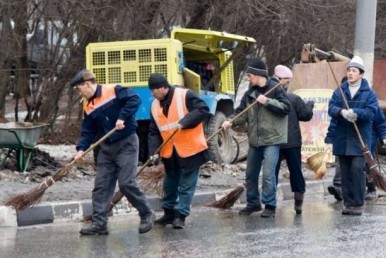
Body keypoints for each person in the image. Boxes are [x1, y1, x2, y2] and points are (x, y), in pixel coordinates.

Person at [70, 69, 155, 235]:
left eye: (78, 89)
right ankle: (99, 224)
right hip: (106, 149)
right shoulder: (88, 105)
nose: (78, 92)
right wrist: (81, 149)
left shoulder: (113, 90)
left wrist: (122, 117)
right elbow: (88, 130)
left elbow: (134, 99)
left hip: (126, 143)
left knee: (126, 183)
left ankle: (146, 213)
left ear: (87, 84)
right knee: (101, 186)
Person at [222, 59, 291, 218]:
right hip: (255, 140)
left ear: (259, 75)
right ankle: (253, 203)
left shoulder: (276, 89)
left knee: (268, 174)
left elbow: (286, 108)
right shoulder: (249, 93)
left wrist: (267, 101)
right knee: (250, 174)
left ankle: (270, 205)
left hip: (272, 140)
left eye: (250, 75)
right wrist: (231, 121)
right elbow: (242, 113)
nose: (248, 78)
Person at [147, 73, 210, 229]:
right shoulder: (155, 105)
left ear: (162, 87)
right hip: (170, 151)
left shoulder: (185, 95)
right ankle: (168, 213)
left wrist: (185, 122)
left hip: (190, 148)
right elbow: (154, 131)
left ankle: (180, 215)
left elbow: (203, 109)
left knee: (186, 184)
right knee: (170, 184)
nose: (152, 93)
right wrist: (154, 151)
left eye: (153, 90)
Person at [328, 56, 379, 216]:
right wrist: (341, 112)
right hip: (342, 138)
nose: (350, 73)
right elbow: (331, 107)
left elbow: (371, 112)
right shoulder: (340, 90)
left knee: (357, 170)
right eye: (349, 70)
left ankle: (358, 203)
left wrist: (356, 113)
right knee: (344, 172)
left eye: (354, 71)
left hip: (359, 140)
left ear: (361, 74)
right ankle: (348, 203)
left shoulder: (369, 93)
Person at [326, 81, 386, 202]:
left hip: (366, 140)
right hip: (345, 139)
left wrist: (384, 136)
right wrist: (330, 137)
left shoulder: (370, 99)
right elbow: (335, 122)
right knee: (343, 165)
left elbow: (380, 122)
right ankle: (340, 188)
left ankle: (371, 188)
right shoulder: (342, 101)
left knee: (363, 167)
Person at [272, 65, 314, 215]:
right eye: (287, 80)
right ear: (280, 80)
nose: (288, 83)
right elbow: (306, 115)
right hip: (292, 142)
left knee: (272, 172)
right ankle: (298, 203)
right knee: (296, 172)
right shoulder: (293, 98)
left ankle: (270, 204)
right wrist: (309, 105)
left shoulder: (267, 99)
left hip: (273, 142)